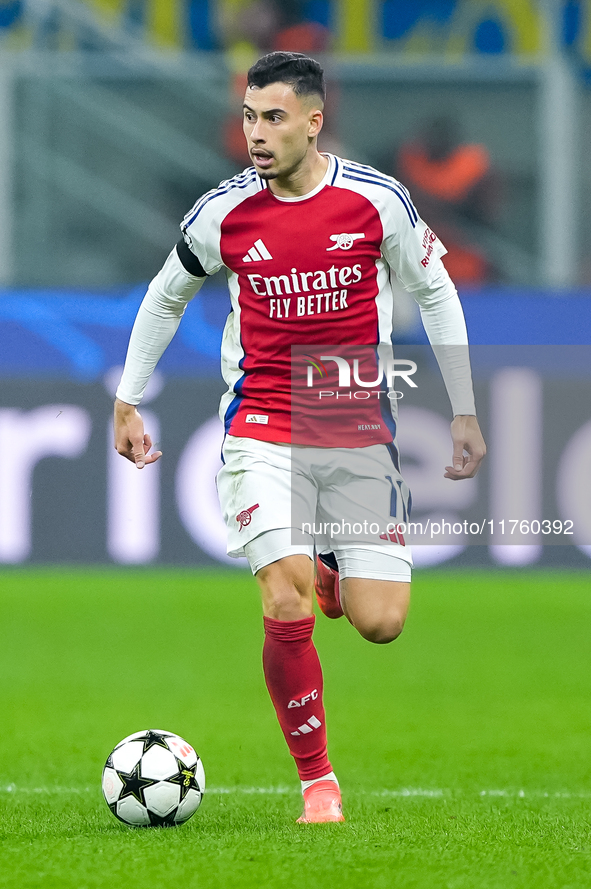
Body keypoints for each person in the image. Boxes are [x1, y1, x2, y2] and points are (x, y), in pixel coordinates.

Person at [114, 52, 486, 824]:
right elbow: (163, 298)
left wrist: (462, 408)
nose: (256, 133)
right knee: (281, 599)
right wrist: (127, 399)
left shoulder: (375, 202)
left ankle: (329, 564)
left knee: (380, 621)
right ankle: (318, 782)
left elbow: (436, 293)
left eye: (274, 117)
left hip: (355, 427)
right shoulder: (223, 213)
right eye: (249, 116)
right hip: (262, 422)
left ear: (314, 121)